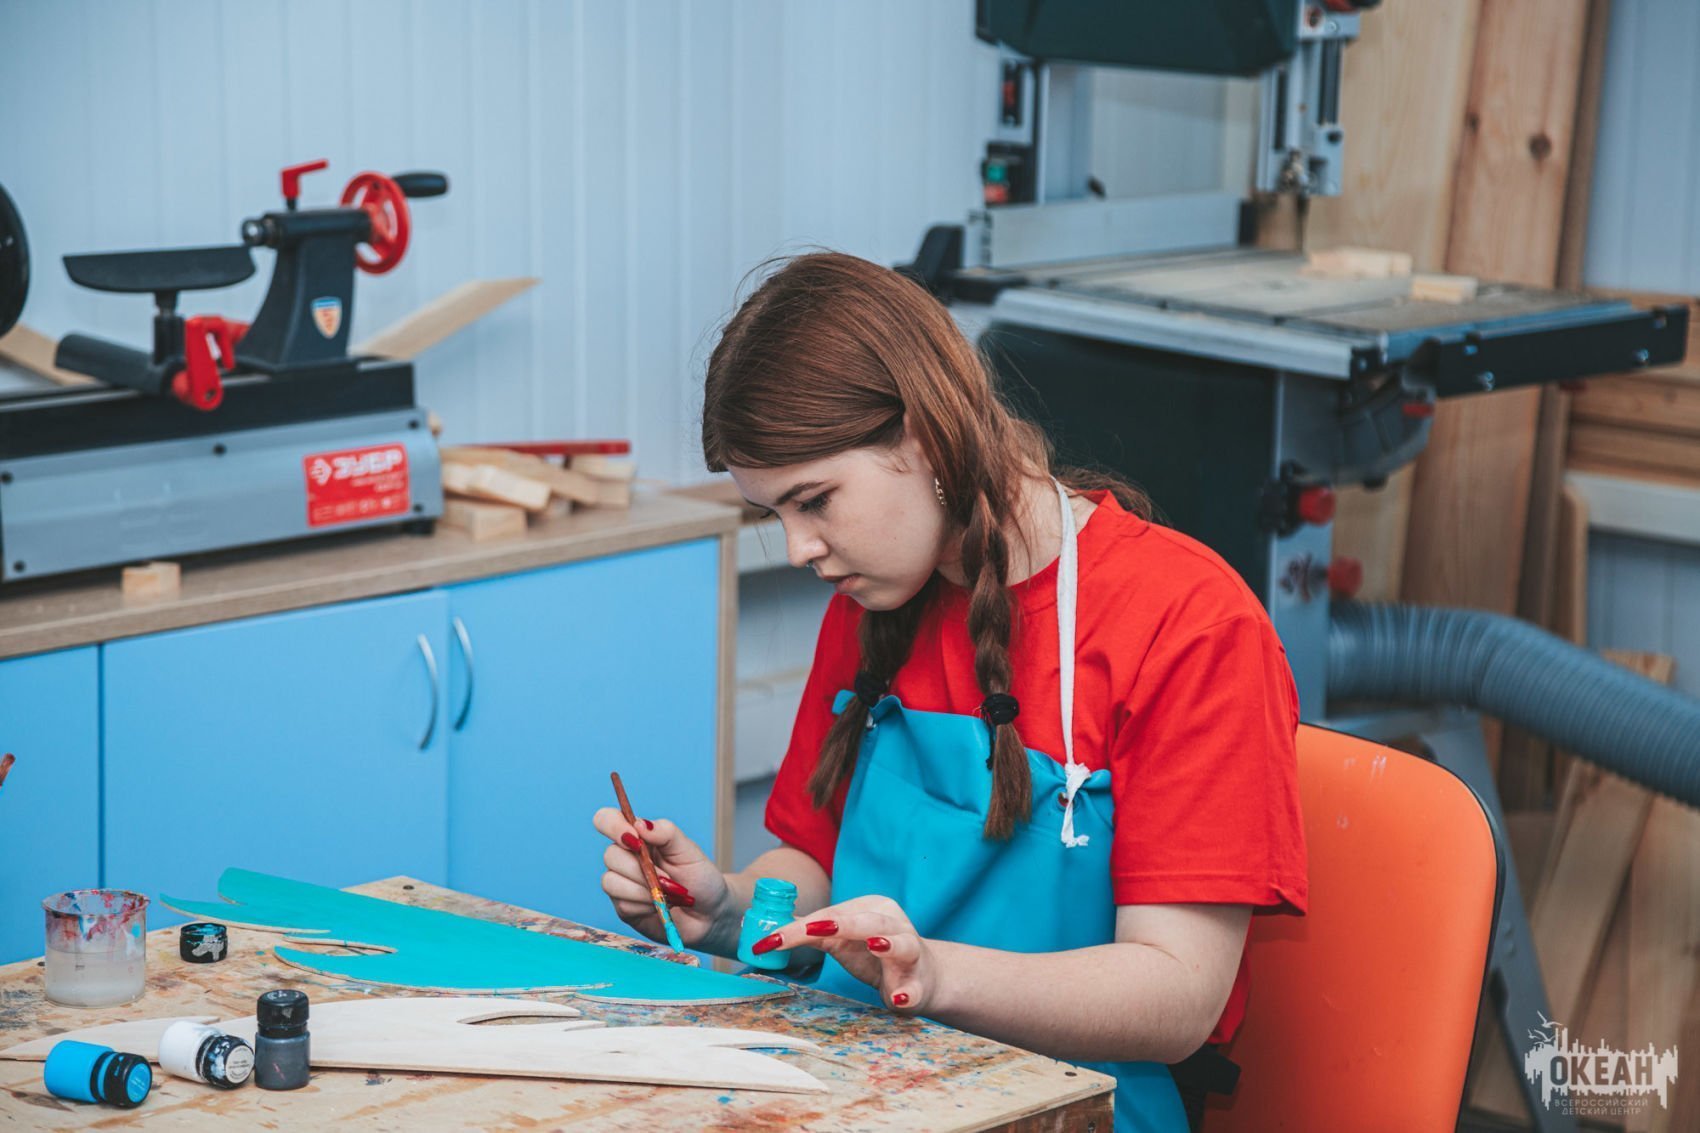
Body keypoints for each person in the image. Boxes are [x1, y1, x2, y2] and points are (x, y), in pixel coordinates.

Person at [594, 251, 1307, 1133]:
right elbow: (814, 867)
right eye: (774, 515)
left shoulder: (1189, 624)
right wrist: (727, 906)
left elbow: (1178, 994)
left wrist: (932, 974)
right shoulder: (872, 604)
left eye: (815, 501)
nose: (801, 548)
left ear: (925, 439)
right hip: (860, 1089)